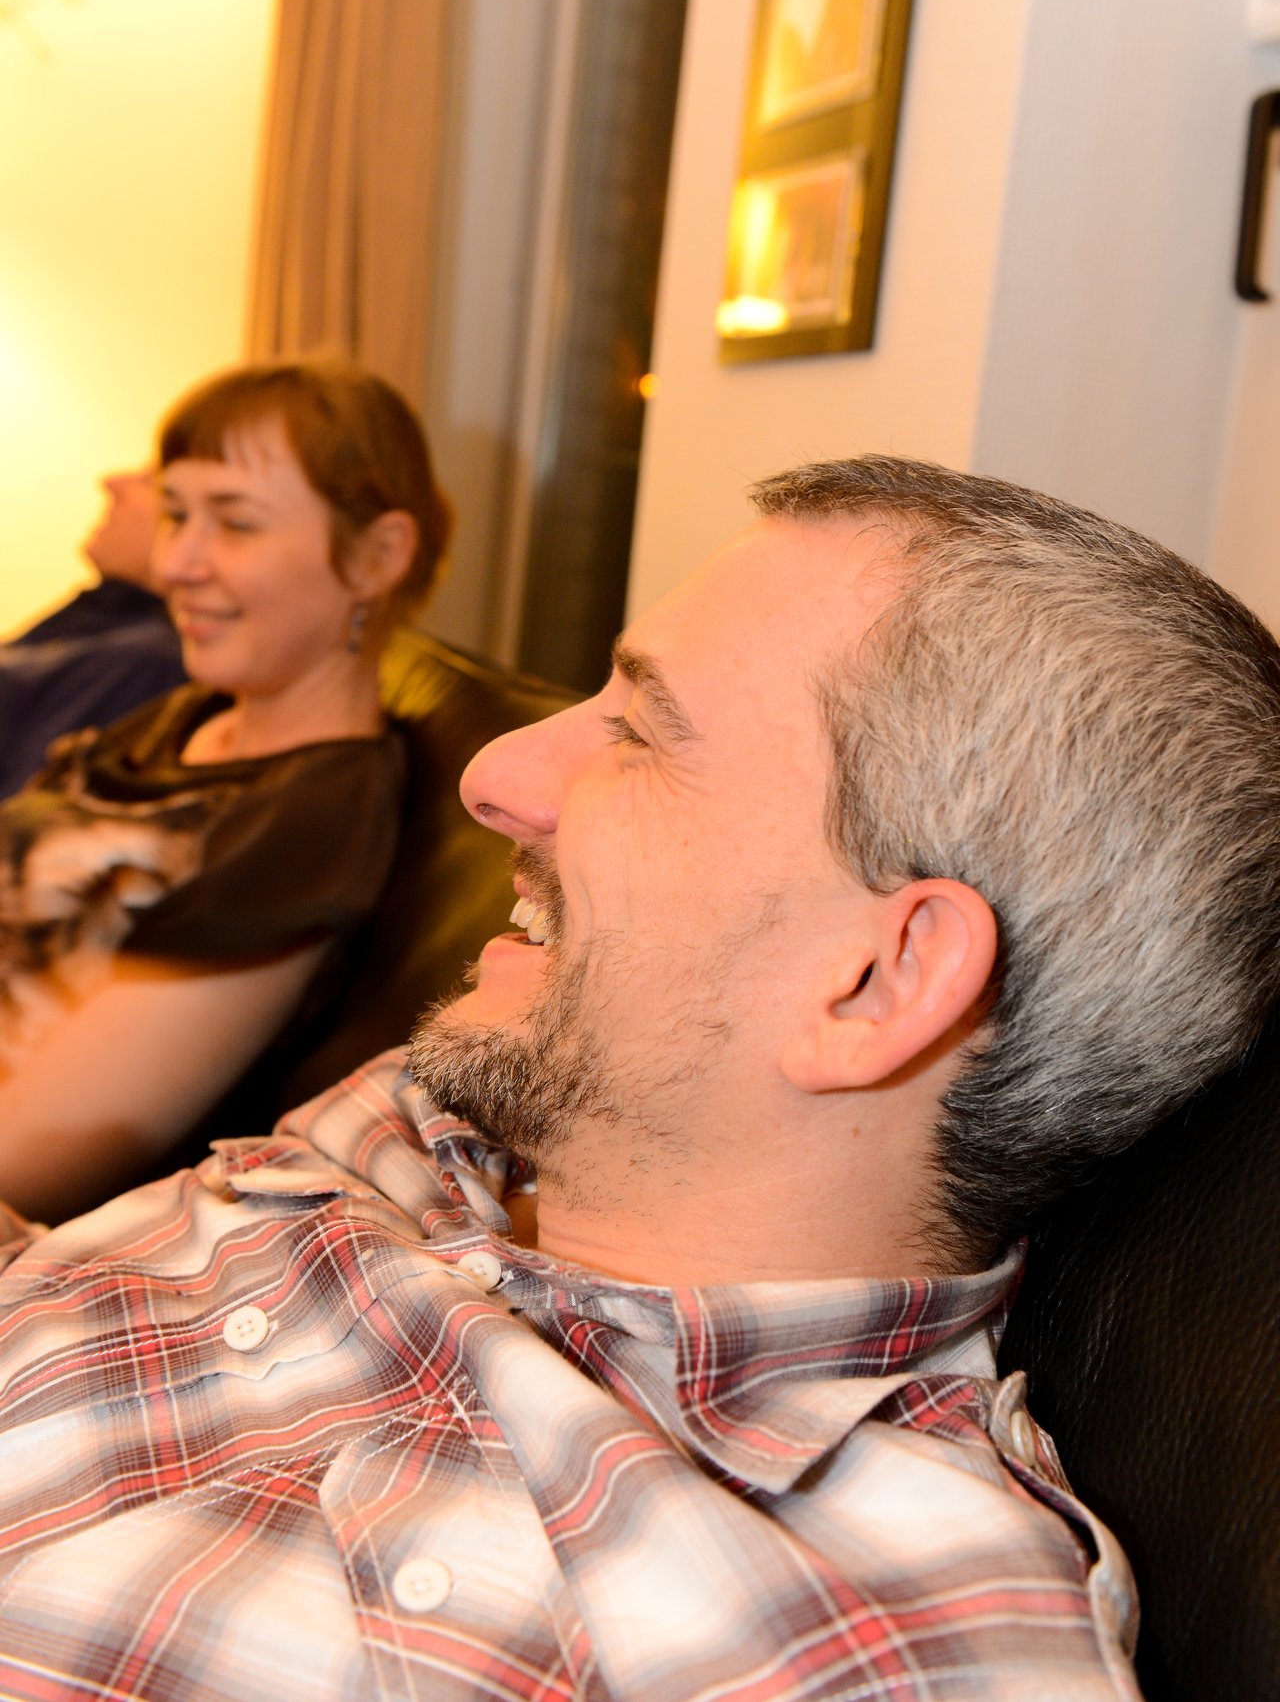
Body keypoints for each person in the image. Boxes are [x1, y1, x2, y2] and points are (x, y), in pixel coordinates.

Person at [0, 454, 1275, 1702]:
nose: (489, 777)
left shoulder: (854, 1648)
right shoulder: (453, 1110)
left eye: (640, 733)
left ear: (875, 982)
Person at [0, 357, 452, 1222]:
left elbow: (24, 1154)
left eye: (236, 524)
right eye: (176, 514)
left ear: (378, 555)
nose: (176, 562)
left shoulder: (311, 823)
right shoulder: (193, 716)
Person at [0, 466, 186, 798]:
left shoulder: (148, 660)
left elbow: (21, 809)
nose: (112, 482)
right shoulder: (107, 617)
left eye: (150, 481)